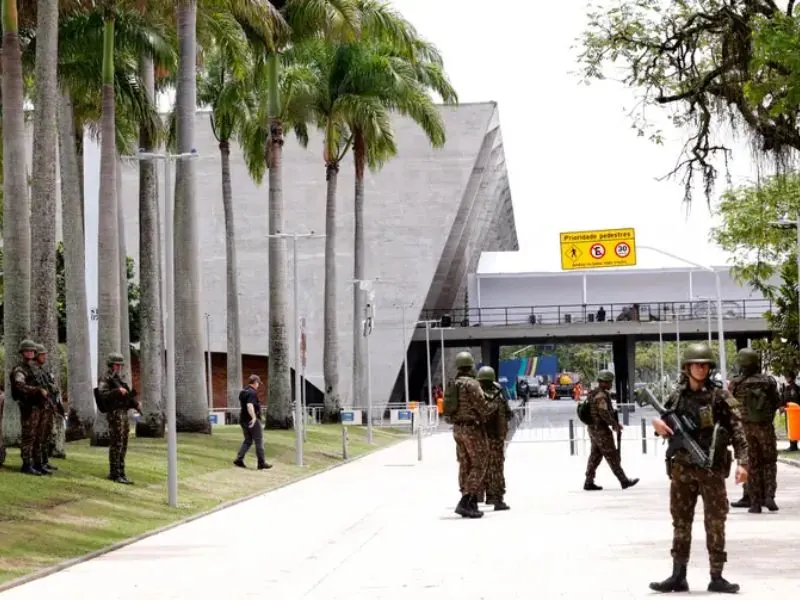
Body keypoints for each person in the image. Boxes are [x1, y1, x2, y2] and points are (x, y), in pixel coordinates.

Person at [649, 343, 748, 594]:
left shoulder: (720, 397)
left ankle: (717, 576)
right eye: (696, 364)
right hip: (682, 471)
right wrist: (658, 426)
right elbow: (665, 422)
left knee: (715, 522)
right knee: (681, 522)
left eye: (705, 364)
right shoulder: (677, 396)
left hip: (711, 470)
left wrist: (743, 463)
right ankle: (678, 575)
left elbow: (738, 431)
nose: (701, 368)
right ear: (687, 368)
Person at [727, 348, 780, 513]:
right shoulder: (769, 382)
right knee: (769, 462)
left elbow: (729, 405)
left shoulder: (736, 383)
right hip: (765, 428)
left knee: (751, 464)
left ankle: (755, 502)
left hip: (745, 429)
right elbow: (776, 401)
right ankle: (769, 496)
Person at [448, 351, 494, 518]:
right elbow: (484, 408)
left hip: (457, 429)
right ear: (470, 366)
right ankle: (466, 500)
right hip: (472, 429)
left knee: (465, 464)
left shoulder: (455, 383)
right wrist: (492, 406)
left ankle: (470, 500)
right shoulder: (472, 384)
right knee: (480, 463)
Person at [583, 370, 638, 491]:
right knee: (611, 455)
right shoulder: (601, 396)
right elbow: (604, 413)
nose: (611, 384)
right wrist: (615, 425)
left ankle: (588, 481)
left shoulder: (593, 393)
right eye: (609, 382)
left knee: (595, 456)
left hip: (593, 429)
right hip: (601, 430)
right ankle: (624, 480)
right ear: (603, 382)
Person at [97, 353, 141, 484]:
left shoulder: (118, 379)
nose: (119, 367)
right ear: (111, 364)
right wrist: (117, 391)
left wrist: (135, 404)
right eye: (117, 364)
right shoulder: (106, 378)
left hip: (123, 413)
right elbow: (102, 395)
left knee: (124, 442)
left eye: (120, 365)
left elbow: (127, 395)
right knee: (117, 442)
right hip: (115, 414)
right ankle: (114, 472)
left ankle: (121, 471)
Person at [477, 366, 512, 511]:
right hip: (496, 438)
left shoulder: (476, 395)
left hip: (479, 437)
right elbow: (508, 414)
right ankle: (496, 498)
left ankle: (478, 496)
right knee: (496, 468)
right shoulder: (498, 396)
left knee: (479, 466)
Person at [12, 339, 49, 476]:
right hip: (28, 407)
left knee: (39, 436)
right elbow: (19, 386)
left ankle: (38, 463)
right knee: (29, 436)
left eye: (32, 351)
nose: (30, 353)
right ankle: (26, 464)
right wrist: (37, 390)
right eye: (27, 351)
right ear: (22, 352)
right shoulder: (20, 369)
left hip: (39, 406)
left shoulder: (33, 369)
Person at [33, 344, 62, 474]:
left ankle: (44, 461)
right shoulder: (34, 370)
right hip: (42, 406)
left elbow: (50, 386)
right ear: (36, 355)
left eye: (45, 354)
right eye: (42, 354)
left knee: (47, 435)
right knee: (40, 435)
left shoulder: (43, 370)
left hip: (49, 405)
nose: (44, 357)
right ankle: (38, 462)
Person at [233, 375, 272, 470]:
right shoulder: (252, 393)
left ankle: (239, 459)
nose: (258, 385)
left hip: (243, 419)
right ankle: (261, 463)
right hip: (251, 420)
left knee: (248, 440)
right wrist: (254, 417)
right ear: (255, 382)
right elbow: (249, 405)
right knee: (259, 441)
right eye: (258, 383)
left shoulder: (243, 391)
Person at [780, 371, 799, 452]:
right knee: (792, 428)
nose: (786, 378)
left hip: (791, 410)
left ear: (790, 378)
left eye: (787, 377)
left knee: (791, 427)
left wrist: (782, 406)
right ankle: (793, 444)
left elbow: (789, 398)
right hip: (793, 410)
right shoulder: (794, 387)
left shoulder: (791, 388)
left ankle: (793, 445)